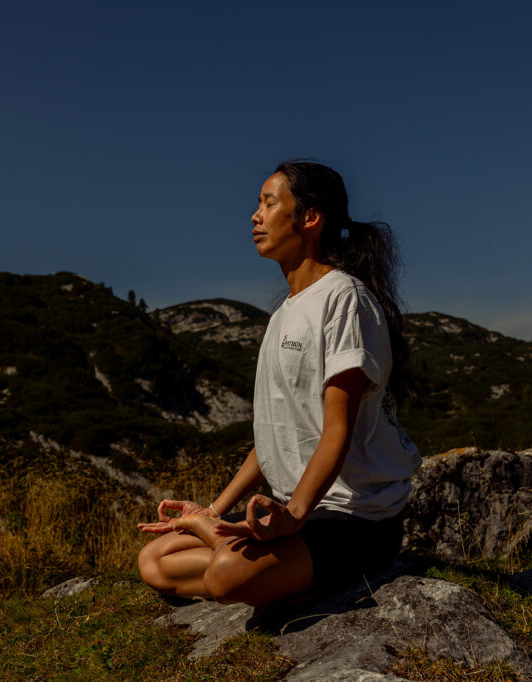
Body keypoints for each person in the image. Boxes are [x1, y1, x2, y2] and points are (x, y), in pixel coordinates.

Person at [137, 161, 421, 605]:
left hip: (355, 517)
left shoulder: (344, 299)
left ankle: (229, 550)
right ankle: (221, 539)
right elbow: (270, 437)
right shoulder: (283, 315)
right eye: (258, 204)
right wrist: (210, 509)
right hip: (297, 516)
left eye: (269, 203)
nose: (255, 215)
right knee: (154, 559)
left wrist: (295, 512)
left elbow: (338, 429)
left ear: (309, 218)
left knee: (230, 575)